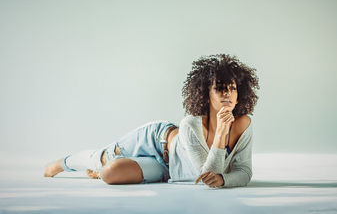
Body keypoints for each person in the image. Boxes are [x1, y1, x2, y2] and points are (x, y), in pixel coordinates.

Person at [44, 54, 259, 188]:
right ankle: (62, 163)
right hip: (157, 141)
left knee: (110, 173)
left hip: (167, 171)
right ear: (206, 94)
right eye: (220, 88)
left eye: (232, 88)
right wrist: (221, 133)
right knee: (101, 158)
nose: (227, 94)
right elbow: (206, 175)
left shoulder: (243, 125)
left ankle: (99, 173)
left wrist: (223, 180)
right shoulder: (190, 124)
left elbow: (242, 173)